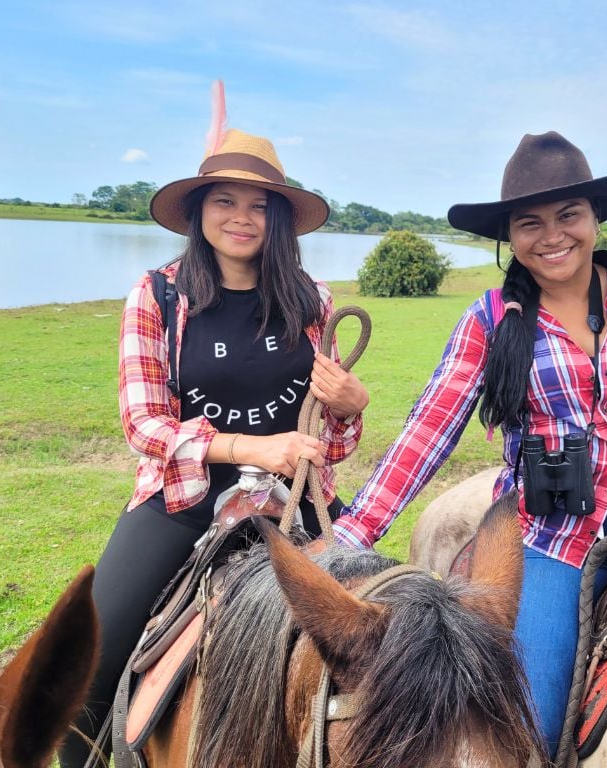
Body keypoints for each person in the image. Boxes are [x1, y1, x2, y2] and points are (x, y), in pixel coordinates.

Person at [330, 131, 607, 756]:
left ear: (595, 218)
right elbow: (430, 431)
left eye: (568, 215)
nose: (552, 236)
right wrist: (350, 536)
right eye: (530, 223)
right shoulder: (490, 319)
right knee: (532, 728)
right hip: (553, 532)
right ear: (509, 237)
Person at [59, 84, 368, 766]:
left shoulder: (311, 299)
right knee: (88, 670)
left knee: (386, 640)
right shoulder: (159, 294)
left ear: (278, 220)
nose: (242, 217)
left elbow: (330, 441)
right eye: (226, 201)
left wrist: (349, 404)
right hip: (181, 503)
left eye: (259, 206)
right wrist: (252, 445)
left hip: (293, 505)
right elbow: (143, 425)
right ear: (198, 211)